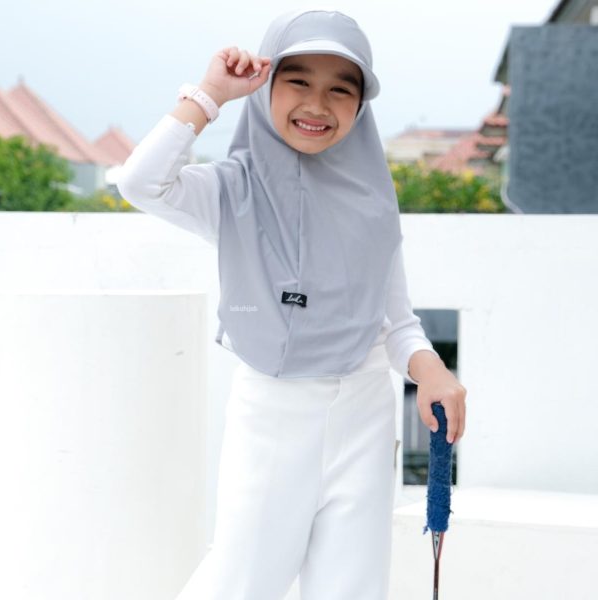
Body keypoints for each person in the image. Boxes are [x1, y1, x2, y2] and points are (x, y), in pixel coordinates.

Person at [117, 8, 467, 600]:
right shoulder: (231, 188)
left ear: (361, 104)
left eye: (340, 89)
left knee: (353, 589)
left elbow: (395, 322)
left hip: (366, 412)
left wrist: (430, 369)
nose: (317, 104)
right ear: (267, 85)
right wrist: (211, 94)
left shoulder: (374, 201)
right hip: (274, 413)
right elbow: (140, 182)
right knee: (239, 584)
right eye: (298, 81)